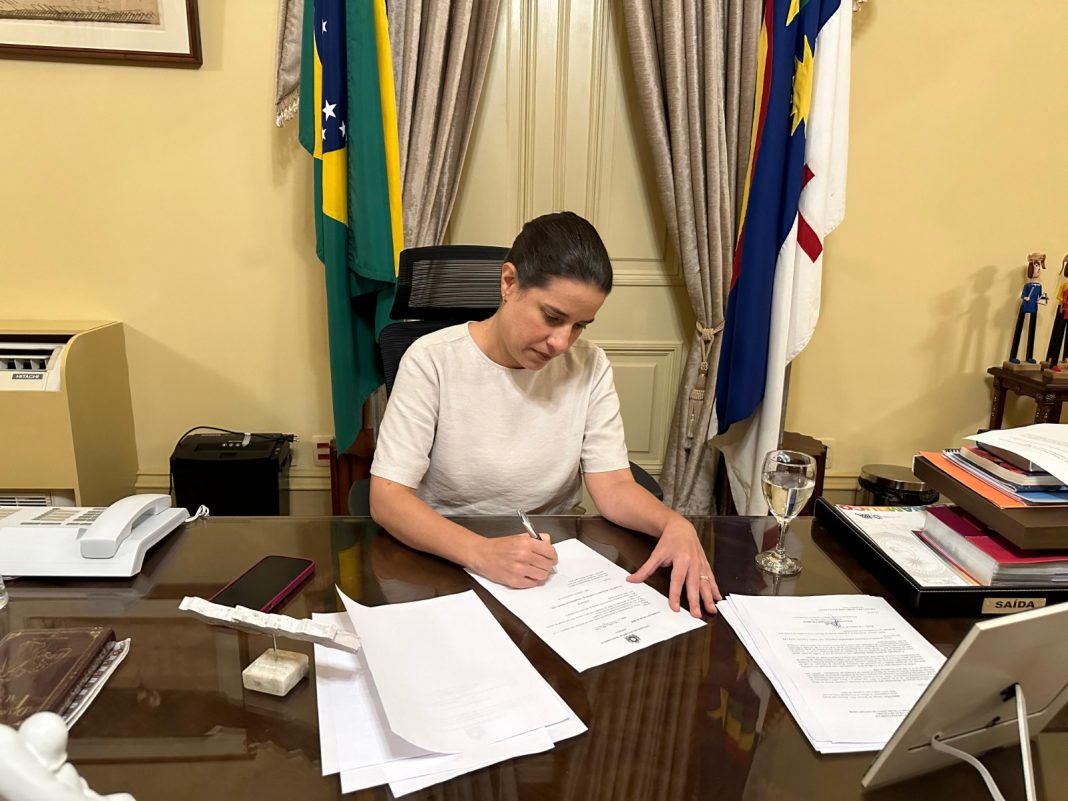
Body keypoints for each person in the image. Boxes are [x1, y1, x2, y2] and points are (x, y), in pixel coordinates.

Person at [369, 211, 721, 617]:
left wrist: (674, 523)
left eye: (579, 325)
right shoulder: (431, 360)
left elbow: (613, 486)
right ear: (509, 283)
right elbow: (388, 499)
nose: (561, 343)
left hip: (553, 564)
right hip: (447, 557)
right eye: (552, 317)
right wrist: (481, 552)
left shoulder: (589, 365)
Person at [1007, 252, 1047, 366]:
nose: (1038, 270)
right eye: (1036, 267)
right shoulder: (1027, 286)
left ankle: (1029, 355)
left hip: (1034, 306)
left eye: (1039, 268)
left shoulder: (1039, 286)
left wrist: (1042, 299)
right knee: (1019, 328)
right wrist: (1026, 297)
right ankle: (1013, 355)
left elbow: (1040, 296)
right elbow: (1023, 295)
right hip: (1026, 305)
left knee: (1032, 330)